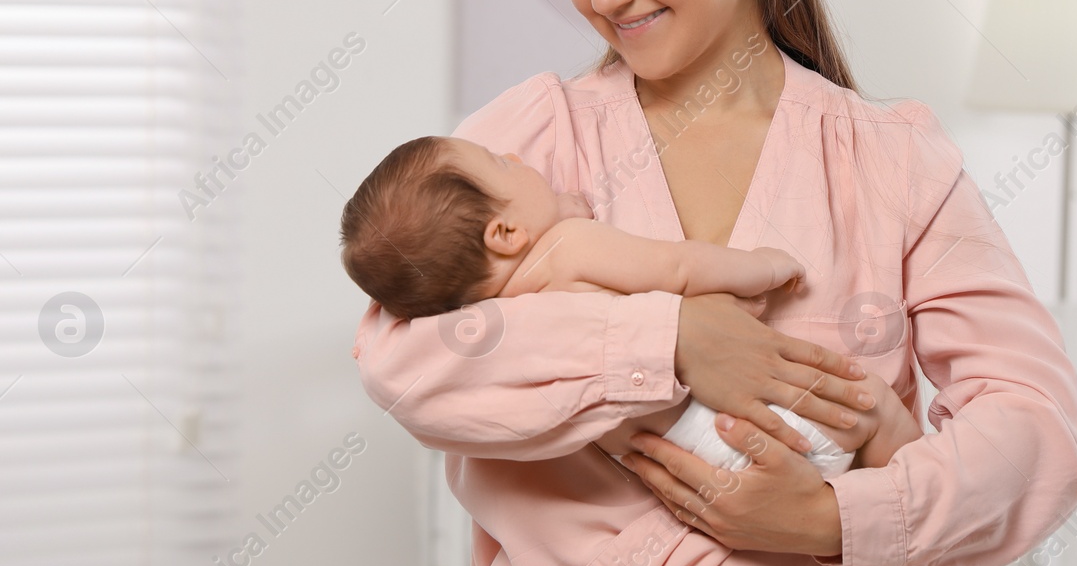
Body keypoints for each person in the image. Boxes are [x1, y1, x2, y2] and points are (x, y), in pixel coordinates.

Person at [352, 0, 1077, 566]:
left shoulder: (891, 162)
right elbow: (404, 363)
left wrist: (834, 518)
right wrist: (666, 341)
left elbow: (1040, 434)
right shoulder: (527, 146)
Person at [337, 133, 925, 478]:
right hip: (768, 419)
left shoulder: (497, 325)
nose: (515, 159)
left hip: (693, 459)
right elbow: (678, 268)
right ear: (507, 234)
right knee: (875, 412)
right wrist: (764, 266)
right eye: (500, 164)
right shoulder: (568, 249)